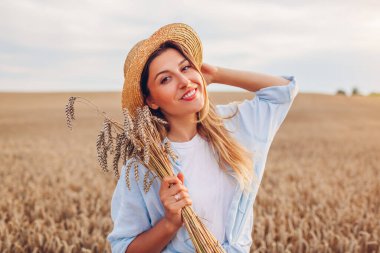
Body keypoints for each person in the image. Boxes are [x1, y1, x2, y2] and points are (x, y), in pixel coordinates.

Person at [107, 23, 299, 253]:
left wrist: (216, 74)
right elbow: (124, 249)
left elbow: (283, 92)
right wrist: (169, 223)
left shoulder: (233, 125)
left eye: (186, 67)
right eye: (165, 79)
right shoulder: (144, 166)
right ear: (151, 100)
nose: (184, 81)